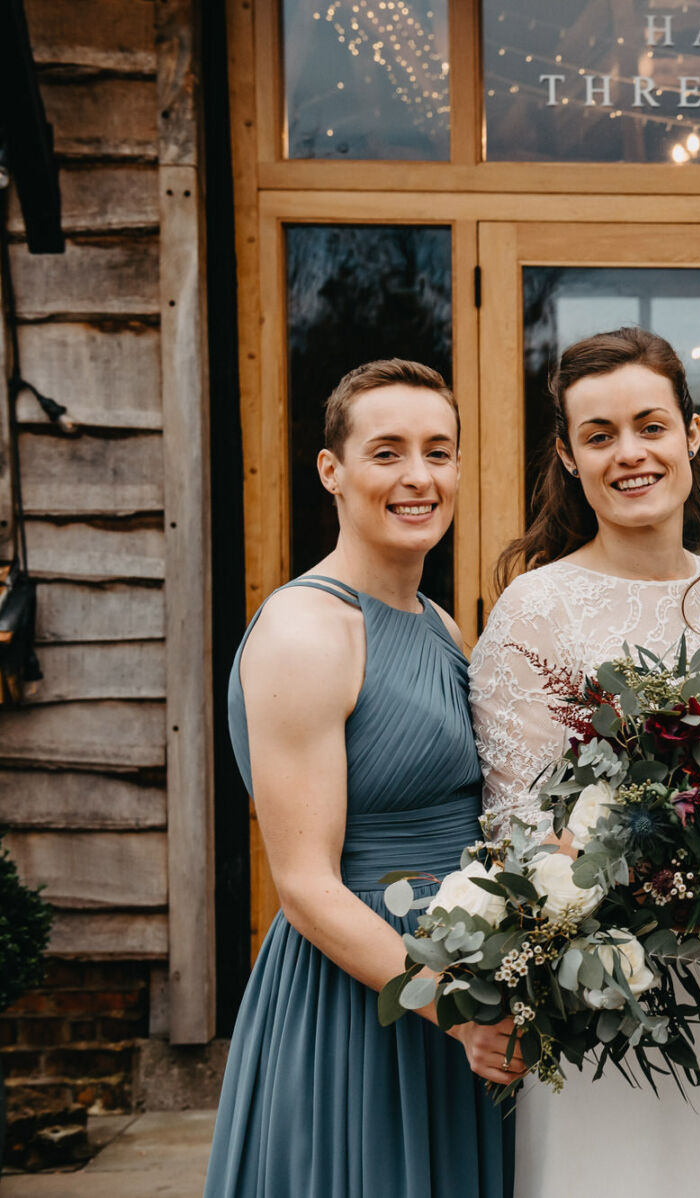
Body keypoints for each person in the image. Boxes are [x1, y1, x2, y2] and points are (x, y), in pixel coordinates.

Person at [467, 327, 700, 1197]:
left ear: (693, 434)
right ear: (567, 456)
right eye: (599, 436)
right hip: (600, 982)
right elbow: (519, 825)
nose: (630, 454)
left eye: (651, 425)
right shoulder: (536, 609)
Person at [205, 359, 519, 1197]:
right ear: (331, 471)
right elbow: (305, 885)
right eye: (387, 452)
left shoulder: (442, 624)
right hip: (364, 1001)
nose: (419, 477)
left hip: (455, 982)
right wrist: (452, 1008)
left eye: (439, 452)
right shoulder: (306, 631)